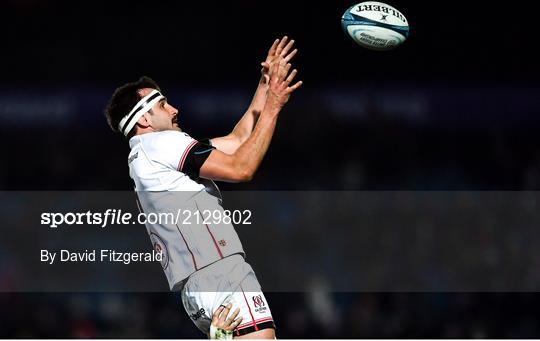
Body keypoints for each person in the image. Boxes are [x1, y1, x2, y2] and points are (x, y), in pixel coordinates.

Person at [104, 37, 302, 339]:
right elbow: (241, 168)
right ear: (143, 119)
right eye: (161, 104)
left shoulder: (149, 158)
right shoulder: (161, 144)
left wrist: (265, 84)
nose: (174, 109)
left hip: (199, 286)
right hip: (219, 270)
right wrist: (274, 106)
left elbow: (237, 140)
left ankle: (220, 336)